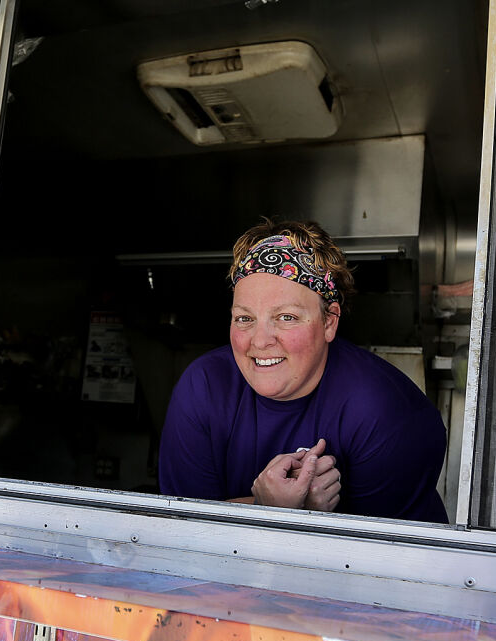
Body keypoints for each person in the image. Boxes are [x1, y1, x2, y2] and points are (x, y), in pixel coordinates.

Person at [157, 220, 449, 522]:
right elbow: (180, 531)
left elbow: (384, 561)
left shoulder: (386, 413)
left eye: (286, 317)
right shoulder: (204, 387)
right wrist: (266, 507)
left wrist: (292, 515)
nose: (259, 341)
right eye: (244, 318)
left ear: (329, 322)